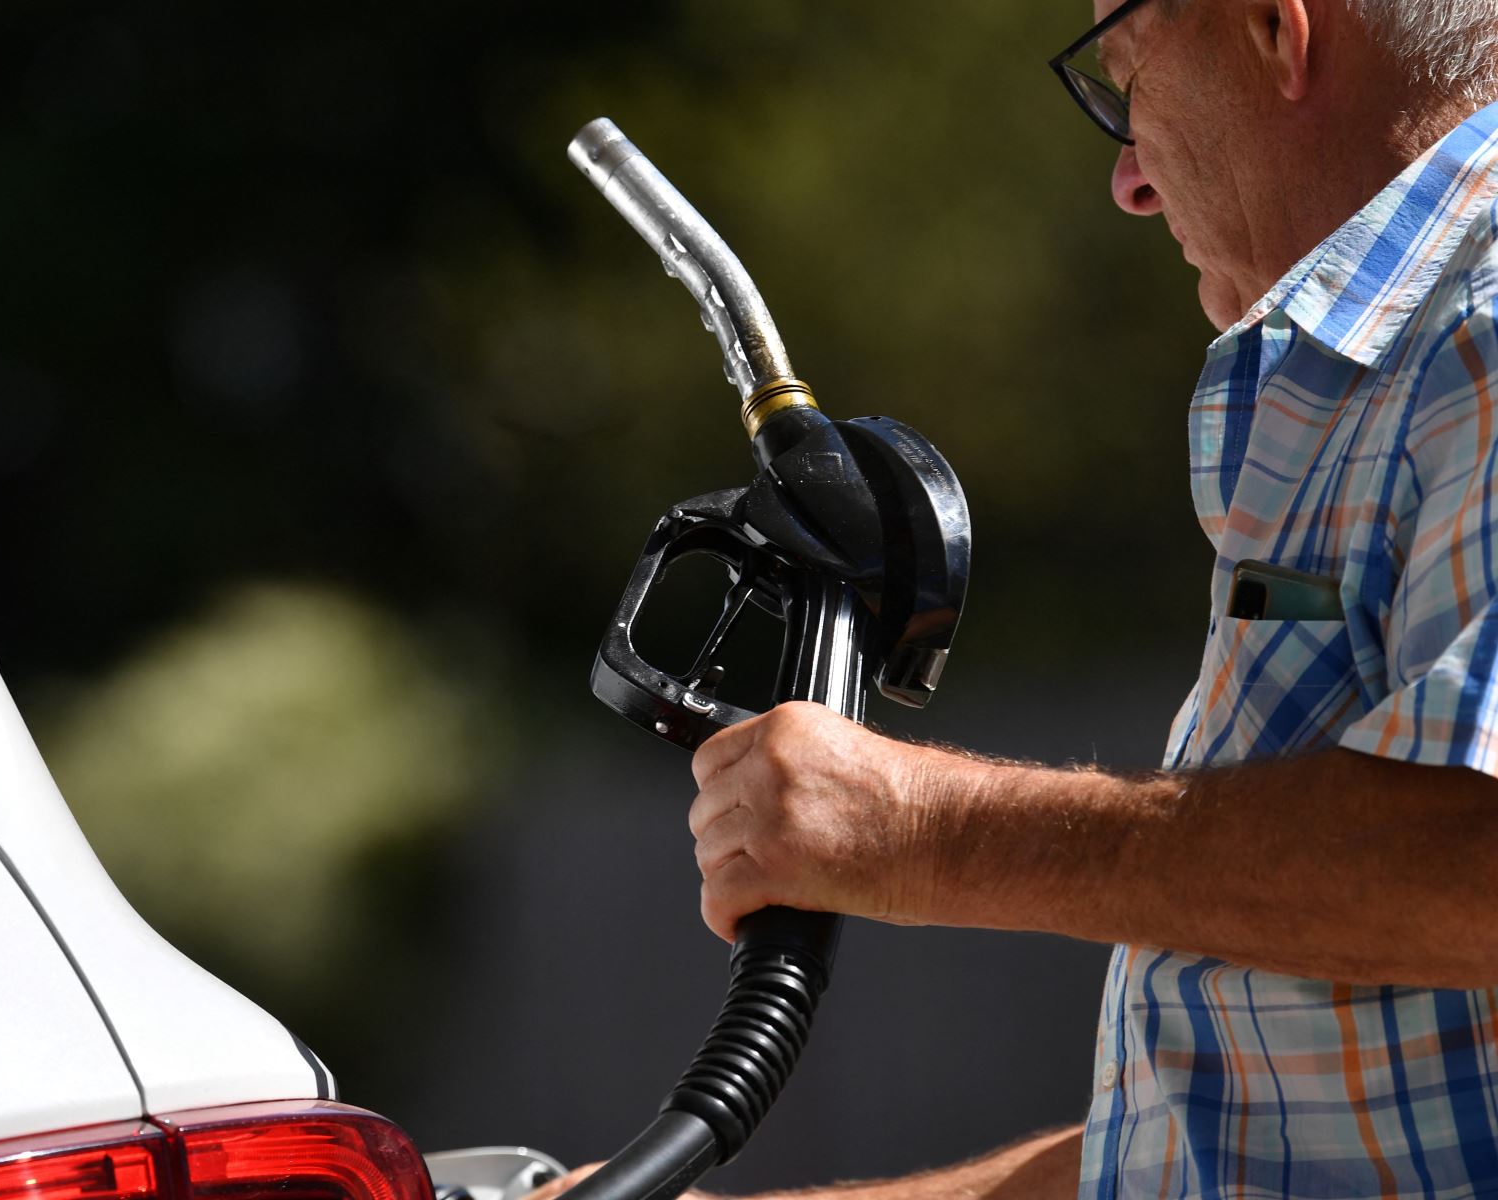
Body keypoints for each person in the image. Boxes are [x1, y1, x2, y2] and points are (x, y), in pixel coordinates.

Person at [534, 0, 1498, 1197]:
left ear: (1273, 27)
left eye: (1126, 78)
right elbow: (1208, 1150)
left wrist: (920, 831)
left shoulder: (1486, 335)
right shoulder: (1392, 378)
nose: (1128, 182)